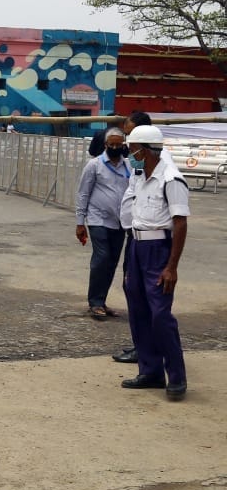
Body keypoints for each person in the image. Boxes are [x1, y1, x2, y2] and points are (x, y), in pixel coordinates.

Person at [118, 125, 189, 400]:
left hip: (158, 249)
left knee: (160, 314)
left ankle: (177, 377)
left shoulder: (171, 179)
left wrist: (172, 267)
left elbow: (180, 224)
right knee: (138, 309)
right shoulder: (139, 176)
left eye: (131, 149)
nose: (129, 154)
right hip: (136, 246)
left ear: (144, 151)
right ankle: (150, 371)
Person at [75, 127, 130, 320]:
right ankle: (95, 302)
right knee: (102, 257)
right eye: (111, 144)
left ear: (123, 145)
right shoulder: (94, 165)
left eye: (118, 144)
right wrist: (80, 222)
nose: (115, 147)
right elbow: (83, 193)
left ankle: (102, 301)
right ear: (105, 145)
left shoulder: (128, 166)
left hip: (119, 222)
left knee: (112, 261)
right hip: (98, 219)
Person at [112, 111, 154, 364]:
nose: (126, 143)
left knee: (143, 294)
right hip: (133, 235)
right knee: (132, 290)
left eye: (129, 136)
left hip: (147, 238)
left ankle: (147, 348)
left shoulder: (156, 167)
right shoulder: (138, 164)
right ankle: (141, 343)